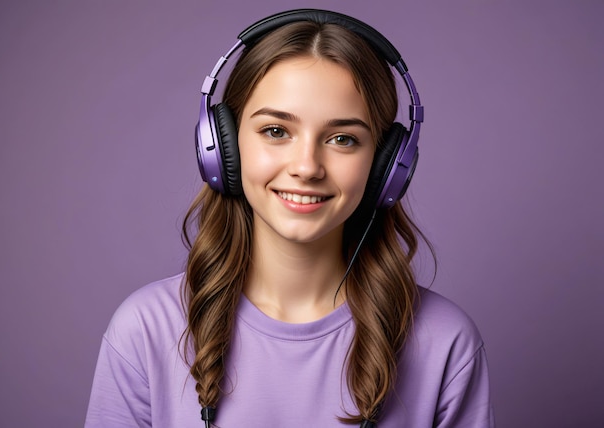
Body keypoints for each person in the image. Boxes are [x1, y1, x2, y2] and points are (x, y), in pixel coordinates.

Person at [85, 9, 494, 428]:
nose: (306, 166)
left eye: (342, 139)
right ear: (223, 146)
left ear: (385, 166)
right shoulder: (145, 330)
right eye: (276, 131)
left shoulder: (445, 342)